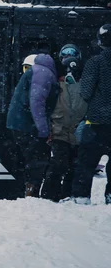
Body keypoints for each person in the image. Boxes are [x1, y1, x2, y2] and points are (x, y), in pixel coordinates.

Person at [7, 53, 59, 197]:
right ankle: (31, 192)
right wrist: (43, 129)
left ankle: (24, 190)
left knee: (24, 158)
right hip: (28, 125)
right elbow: (37, 102)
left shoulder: (37, 72)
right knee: (37, 158)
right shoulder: (44, 73)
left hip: (20, 122)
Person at [70, 24, 111, 205]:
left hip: (97, 120)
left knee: (87, 161)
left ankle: (81, 197)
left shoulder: (95, 62)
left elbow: (85, 92)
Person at [41, 45, 87, 202]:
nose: (68, 58)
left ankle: (68, 194)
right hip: (58, 128)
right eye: (64, 55)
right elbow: (46, 105)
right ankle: (48, 196)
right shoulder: (53, 79)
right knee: (59, 163)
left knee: (75, 165)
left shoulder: (86, 79)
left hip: (77, 129)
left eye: (72, 54)